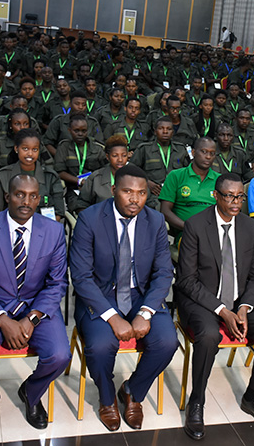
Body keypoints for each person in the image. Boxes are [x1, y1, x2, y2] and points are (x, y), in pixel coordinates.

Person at [69, 164, 178, 431]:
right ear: (114, 190)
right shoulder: (90, 219)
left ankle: (132, 392)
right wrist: (112, 316)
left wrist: (146, 312)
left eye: (141, 193)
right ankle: (107, 399)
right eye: (128, 191)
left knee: (167, 342)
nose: (134, 199)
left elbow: (164, 272)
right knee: (100, 346)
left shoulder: (154, 222)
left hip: (141, 295)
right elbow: (81, 276)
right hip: (100, 298)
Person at [175, 172, 254, 440]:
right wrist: (223, 311)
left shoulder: (249, 227)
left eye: (240, 197)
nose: (236, 202)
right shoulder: (195, 226)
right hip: (203, 300)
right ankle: (196, 402)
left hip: (240, 300)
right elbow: (187, 280)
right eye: (229, 196)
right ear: (216, 195)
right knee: (210, 335)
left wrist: (244, 307)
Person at [0, 174, 71, 436]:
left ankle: (31, 394)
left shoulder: (53, 230)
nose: (26, 201)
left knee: (60, 355)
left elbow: (57, 284)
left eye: (33, 195)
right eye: (20, 194)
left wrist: (31, 319)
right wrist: (2, 319)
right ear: (8, 196)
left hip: (35, 306)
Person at [0, 129, 65, 220]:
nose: (30, 154)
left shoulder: (51, 177)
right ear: (16, 148)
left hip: (41, 229)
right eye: (25, 148)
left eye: (34, 149)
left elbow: (58, 213)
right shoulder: (3, 176)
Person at [159, 136, 220, 235]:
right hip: (186, 233)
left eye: (212, 153)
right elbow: (165, 211)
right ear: (193, 153)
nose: (208, 156)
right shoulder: (176, 176)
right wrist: (188, 228)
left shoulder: (219, 180)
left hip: (213, 234)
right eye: (204, 152)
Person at [76, 134, 129, 212]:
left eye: (124, 155)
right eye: (115, 156)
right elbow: (82, 204)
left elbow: (147, 202)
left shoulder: (136, 177)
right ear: (107, 157)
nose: (120, 160)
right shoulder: (96, 178)